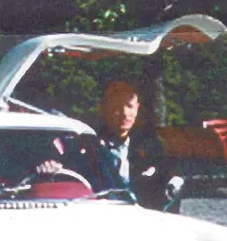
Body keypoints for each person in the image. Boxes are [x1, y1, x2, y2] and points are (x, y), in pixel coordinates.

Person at [35, 80, 185, 213]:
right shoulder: (87, 143)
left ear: (138, 108)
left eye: (130, 106)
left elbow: (169, 176)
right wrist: (51, 164)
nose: (125, 114)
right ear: (104, 109)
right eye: (117, 107)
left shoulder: (150, 145)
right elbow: (62, 162)